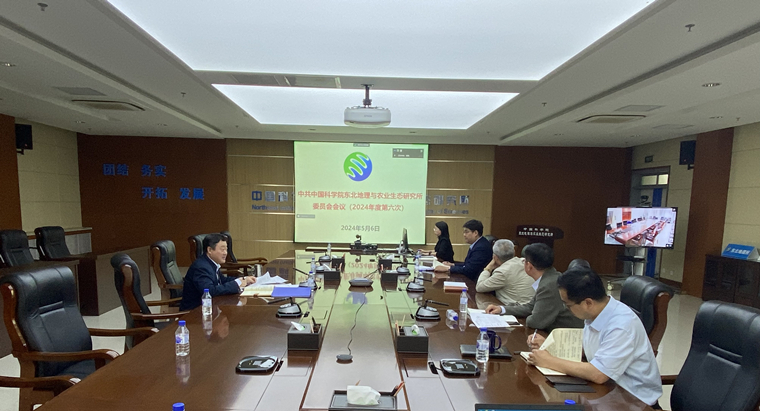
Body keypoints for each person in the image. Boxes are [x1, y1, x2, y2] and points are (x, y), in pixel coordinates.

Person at [525, 267, 662, 407]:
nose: (567, 309)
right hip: (607, 391)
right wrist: (550, 344)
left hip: (633, 402)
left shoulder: (621, 326)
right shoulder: (596, 313)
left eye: (568, 305)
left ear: (588, 303)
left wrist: (549, 361)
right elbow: (588, 347)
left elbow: (598, 374)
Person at [485, 243, 583, 332]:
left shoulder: (549, 285)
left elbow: (536, 322)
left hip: (567, 336)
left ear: (529, 266)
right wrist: (502, 309)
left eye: (524, 261)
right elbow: (530, 307)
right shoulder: (550, 277)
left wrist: (525, 319)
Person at [179, 233, 256, 310]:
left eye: (226, 249)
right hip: (195, 311)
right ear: (209, 250)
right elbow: (210, 291)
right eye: (222, 249)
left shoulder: (211, 263)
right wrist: (236, 284)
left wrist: (244, 280)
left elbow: (222, 280)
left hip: (212, 307)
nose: (225, 253)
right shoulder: (201, 267)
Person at [476, 239, 535, 305]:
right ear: (514, 252)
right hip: (532, 306)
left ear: (495, 257)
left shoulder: (502, 272)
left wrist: (488, 268)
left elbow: (479, 287)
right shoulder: (524, 262)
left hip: (516, 309)